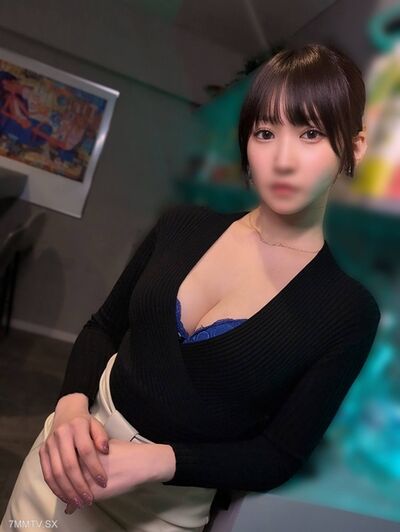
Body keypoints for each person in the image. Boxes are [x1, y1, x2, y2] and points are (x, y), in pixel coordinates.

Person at [1, 42, 381, 532]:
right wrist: (71, 407)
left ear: (354, 147)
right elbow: (103, 327)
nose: (283, 159)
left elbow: (277, 454)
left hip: (161, 515)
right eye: (266, 132)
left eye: (311, 133)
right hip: (62, 465)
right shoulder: (181, 226)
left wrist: (159, 461)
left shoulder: (347, 311)